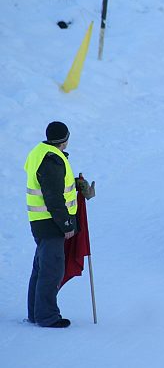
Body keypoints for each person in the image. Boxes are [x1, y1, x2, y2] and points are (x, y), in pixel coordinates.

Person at [24, 121, 95, 328]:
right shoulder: (52, 159)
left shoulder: (40, 152)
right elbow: (53, 197)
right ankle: (47, 316)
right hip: (51, 223)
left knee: (41, 268)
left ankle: (36, 314)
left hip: (42, 222)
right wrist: (66, 224)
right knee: (51, 270)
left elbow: (51, 184)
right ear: (65, 139)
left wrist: (75, 184)